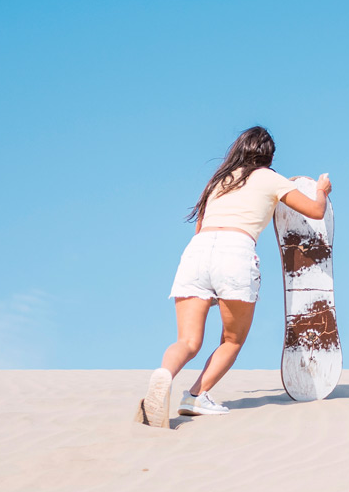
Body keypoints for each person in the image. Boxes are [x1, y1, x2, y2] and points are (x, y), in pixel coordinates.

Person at [138, 126, 332, 428]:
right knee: (232, 339)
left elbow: (200, 228)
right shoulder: (269, 178)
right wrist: (321, 189)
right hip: (236, 252)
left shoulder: (217, 182)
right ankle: (195, 396)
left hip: (197, 252)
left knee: (187, 341)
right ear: (268, 155)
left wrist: (210, 283)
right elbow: (315, 212)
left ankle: (163, 375)